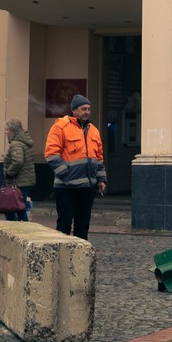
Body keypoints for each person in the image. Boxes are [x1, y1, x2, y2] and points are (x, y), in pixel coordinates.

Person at [44, 94, 106, 240]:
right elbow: (51, 154)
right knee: (64, 225)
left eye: (89, 109)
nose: (87, 112)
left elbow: (99, 158)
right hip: (66, 188)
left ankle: (82, 256)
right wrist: (65, 174)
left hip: (87, 187)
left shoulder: (93, 131)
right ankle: (62, 255)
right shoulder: (60, 127)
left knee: (83, 225)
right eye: (83, 109)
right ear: (74, 111)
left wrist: (101, 180)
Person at [1, 116, 34, 220]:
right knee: (20, 207)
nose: (5, 132)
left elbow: (18, 161)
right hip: (24, 181)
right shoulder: (23, 142)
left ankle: (18, 231)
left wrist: (9, 172)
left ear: (12, 131)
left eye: (7, 130)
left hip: (18, 182)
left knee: (12, 209)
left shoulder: (16, 144)